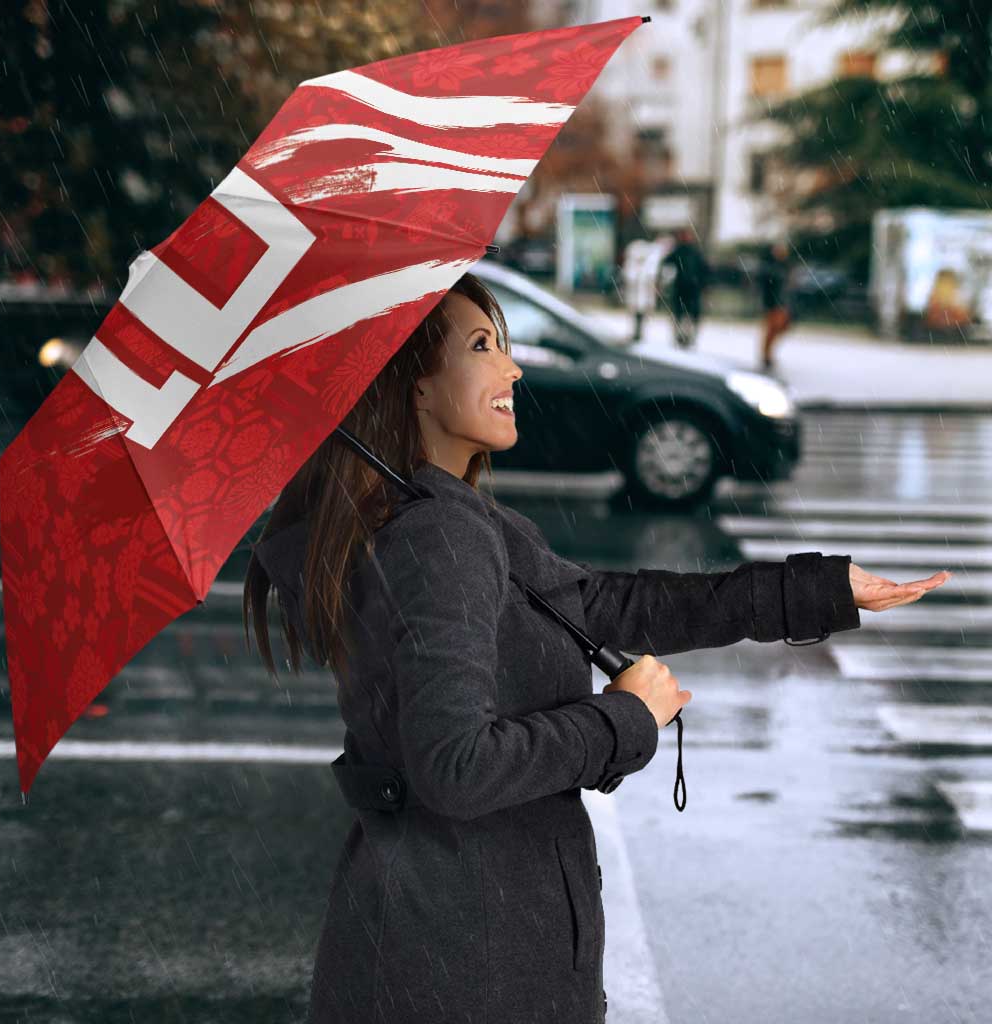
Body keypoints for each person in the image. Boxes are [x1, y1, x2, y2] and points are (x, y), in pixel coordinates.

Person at [244, 272, 948, 1024]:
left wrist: (818, 590)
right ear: (413, 388)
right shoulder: (437, 537)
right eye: (482, 346)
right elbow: (455, 768)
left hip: (452, 943)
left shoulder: (449, 519)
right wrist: (622, 719)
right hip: (464, 963)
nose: (512, 368)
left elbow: (611, 605)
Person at [660, 226, 710, 349]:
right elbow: (666, 264)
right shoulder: (680, 251)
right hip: (683, 288)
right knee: (681, 314)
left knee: (688, 315)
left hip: (691, 288)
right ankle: (681, 337)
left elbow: (704, 270)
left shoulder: (693, 252)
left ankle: (687, 337)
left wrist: (703, 284)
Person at [758, 239, 794, 370]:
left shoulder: (785, 266)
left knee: (780, 328)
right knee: (772, 329)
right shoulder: (770, 267)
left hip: (782, 303)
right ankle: (766, 355)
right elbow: (767, 286)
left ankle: (767, 354)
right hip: (773, 303)